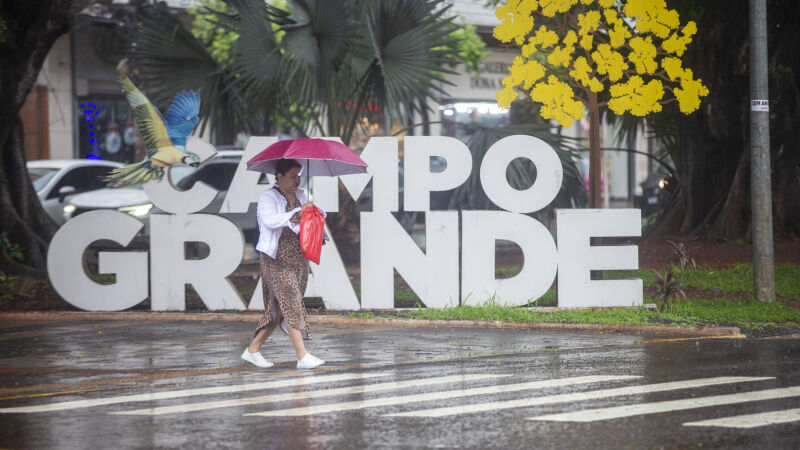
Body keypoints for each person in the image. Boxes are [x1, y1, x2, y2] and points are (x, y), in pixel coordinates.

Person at [241, 158, 325, 370]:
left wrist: (313, 212)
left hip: (298, 257)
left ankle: (252, 350)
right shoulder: (268, 196)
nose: (298, 180)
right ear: (279, 176)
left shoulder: (303, 195)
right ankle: (302, 356)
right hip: (275, 258)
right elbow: (270, 221)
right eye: (293, 176)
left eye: (299, 175)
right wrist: (296, 213)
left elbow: (316, 216)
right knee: (292, 301)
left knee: (278, 309)